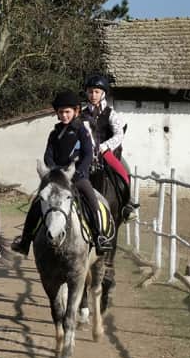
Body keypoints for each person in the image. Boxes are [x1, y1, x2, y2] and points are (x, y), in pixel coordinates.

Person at [11, 90, 110, 256]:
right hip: (57, 178)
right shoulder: (54, 133)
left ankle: (99, 236)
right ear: (57, 113)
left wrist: (79, 172)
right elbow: (48, 155)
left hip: (77, 177)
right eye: (61, 112)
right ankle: (25, 241)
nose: (64, 115)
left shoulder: (81, 131)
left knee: (93, 202)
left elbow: (87, 154)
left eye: (67, 112)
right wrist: (55, 172)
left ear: (76, 111)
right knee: (37, 204)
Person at [80, 74, 137, 220]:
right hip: (86, 153)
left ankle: (127, 205)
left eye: (97, 92)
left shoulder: (111, 114)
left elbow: (119, 134)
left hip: (106, 152)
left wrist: (105, 146)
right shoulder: (81, 114)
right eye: (90, 91)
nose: (93, 95)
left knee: (124, 170)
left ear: (103, 93)